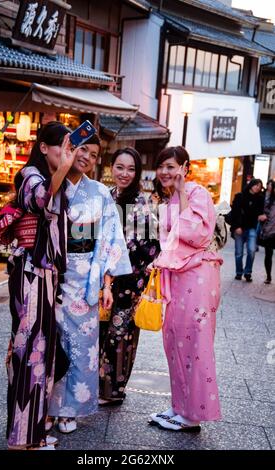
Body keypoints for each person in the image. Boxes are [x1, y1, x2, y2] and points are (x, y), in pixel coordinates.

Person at [0, 121, 75, 450]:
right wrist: (64, 171)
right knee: (31, 350)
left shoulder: (50, 178)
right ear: (44, 147)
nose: (67, 154)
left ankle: (30, 433)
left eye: (71, 148)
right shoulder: (31, 175)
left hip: (42, 274)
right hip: (31, 272)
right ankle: (24, 437)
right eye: (63, 147)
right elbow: (40, 201)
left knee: (39, 351)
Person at [47, 135, 132, 432]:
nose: (87, 157)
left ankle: (69, 410)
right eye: (83, 149)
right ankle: (45, 407)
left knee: (81, 347)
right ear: (70, 148)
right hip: (52, 277)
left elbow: (110, 239)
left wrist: (106, 284)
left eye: (94, 155)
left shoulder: (98, 193)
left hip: (85, 280)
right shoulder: (51, 185)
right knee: (50, 344)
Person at [149, 146, 223, 432]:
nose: (165, 172)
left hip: (197, 277)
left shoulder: (197, 193)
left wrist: (180, 194)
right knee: (175, 340)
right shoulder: (169, 200)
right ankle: (180, 406)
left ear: (184, 167)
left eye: (171, 166)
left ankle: (194, 414)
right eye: (162, 166)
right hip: (179, 279)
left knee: (195, 342)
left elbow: (194, 234)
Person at [99, 147, 160, 405]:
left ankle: (114, 390)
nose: (124, 173)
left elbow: (151, 246)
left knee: (120, 335)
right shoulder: (106, 196)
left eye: (131, 169)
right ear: (111, 167)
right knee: (102, 331)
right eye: (120, 167)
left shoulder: (141, 202)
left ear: (137, 174)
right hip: (104, 278)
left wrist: (119, 254)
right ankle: (98, 386)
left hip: (128, 279)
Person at [230, 178, 264, 282]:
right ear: (251, 185)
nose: (257, 188)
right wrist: (236, 227)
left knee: (252, 250)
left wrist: (261, 216)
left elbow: (260, 213)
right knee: (239, 253)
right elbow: (234, 213)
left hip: (252, 229)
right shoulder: (240, 196)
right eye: (256, 185)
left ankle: (248, 272)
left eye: (259, 186)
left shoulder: (260, 199)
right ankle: (239, 273)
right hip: (239, 228)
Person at [259, 180, 275, 284]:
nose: (269, 187)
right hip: (269, 230)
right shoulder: (265, 198)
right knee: (268, 255)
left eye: (271, 185)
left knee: (268, 254)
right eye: (268, 185)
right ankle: (268, 276)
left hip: (271, 229)